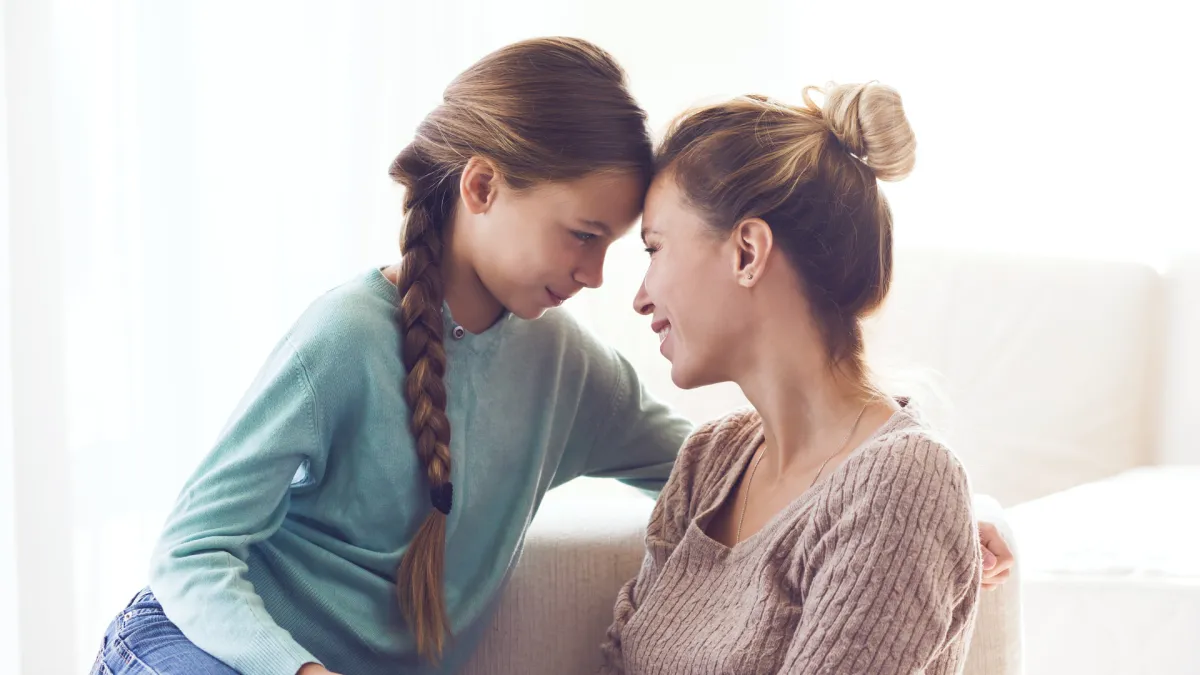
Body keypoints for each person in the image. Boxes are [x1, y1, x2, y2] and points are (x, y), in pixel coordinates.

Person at [89, 38, 1011, 675]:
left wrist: (940, 509)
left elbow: (798, 469)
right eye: (585, 235)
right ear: (482, 186)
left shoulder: (569, 371)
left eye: (632, 245)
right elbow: (191, 548)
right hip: (200, 648)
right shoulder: (345, 334)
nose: (612, 279)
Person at [600, 82, 986, 674]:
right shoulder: (711, 459)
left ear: (748, 253)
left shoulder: (903, 482)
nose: (639, 298)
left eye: (654, 249)